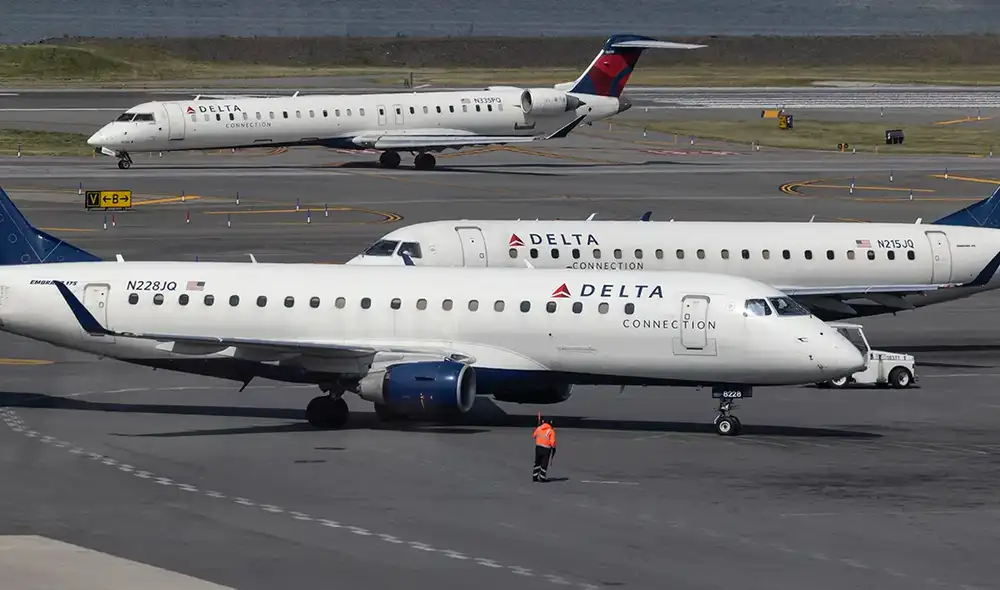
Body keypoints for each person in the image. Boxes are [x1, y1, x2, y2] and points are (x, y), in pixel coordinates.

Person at [532, 417, 557, 482]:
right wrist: (554, 448)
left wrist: (537, 428)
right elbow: (552, 442)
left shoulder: (539, 428)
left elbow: (534, 436)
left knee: (537, 462)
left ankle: (535, 476)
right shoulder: (551, 431)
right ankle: (542, 477)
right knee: (544, 463)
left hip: (538, 447)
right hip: (546, 449)